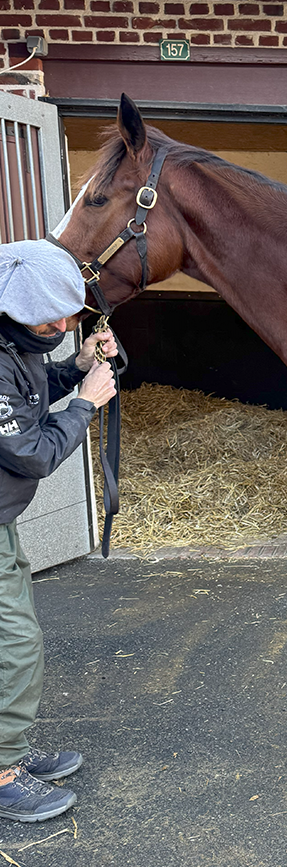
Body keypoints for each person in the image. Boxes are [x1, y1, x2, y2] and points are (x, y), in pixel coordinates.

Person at [0, 238, 117, 822]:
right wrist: (86, 404)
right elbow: (34, 452)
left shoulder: (12, 343)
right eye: (52, 318)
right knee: (16, 645)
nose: (66, 326)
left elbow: (30, 389)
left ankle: (10, 749)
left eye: (70, 316)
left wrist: (77, 366)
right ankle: (3, 772)